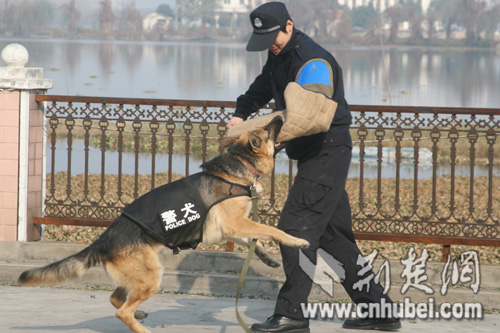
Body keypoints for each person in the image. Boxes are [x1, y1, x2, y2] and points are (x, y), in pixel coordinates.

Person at [226, 2, 401, 332]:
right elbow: (265, 84)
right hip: (314, 155)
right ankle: (380, 311)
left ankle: (292, 313)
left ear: (289, 26)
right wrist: (241, 111)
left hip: (327, 152)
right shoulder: (279, 54)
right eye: (264, 42)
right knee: (335, 238)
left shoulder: (313, 62)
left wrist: (276, 137)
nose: (270, 47)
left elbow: (311, 114)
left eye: (273, 39)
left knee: (294, 228)